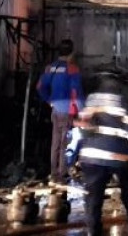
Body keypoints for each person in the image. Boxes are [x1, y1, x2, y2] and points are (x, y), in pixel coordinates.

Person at [74, 76, 128, 236]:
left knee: (93, 200)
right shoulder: (122, 103)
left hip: (91, 157)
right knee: (127, 192)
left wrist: (73, 158)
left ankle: (93, 231)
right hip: (118, 158)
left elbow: (81, 130)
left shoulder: (90, 102)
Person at [36, 39, 84, 183]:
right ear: (71, 53)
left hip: (55, 110)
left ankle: (53, 172)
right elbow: (76, 92)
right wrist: (82, 112)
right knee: (65, 142)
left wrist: (49, 101)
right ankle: (61, 174)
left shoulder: (51, 68)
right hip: (67, 111)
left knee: (55, 142)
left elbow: (39, 87)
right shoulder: (72, 68)